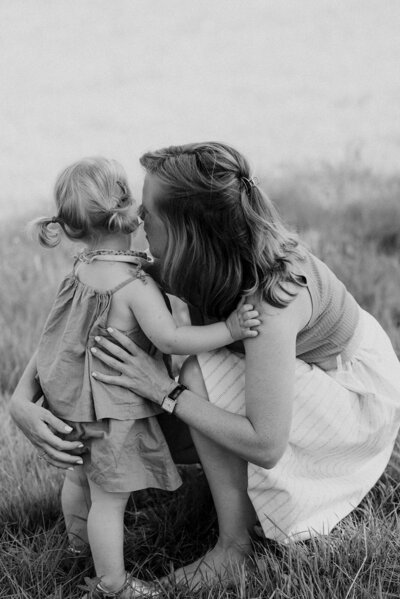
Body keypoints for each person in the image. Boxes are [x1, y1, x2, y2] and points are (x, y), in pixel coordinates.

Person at [11, 143, 400, 591]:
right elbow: (82, 322)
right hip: (280, 376)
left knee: (194, 375)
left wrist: (164, 390)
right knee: (148, 420)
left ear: (186, 232)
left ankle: (235, 549)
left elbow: (266, 442)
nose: (136, 218)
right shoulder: (182, 261)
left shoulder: (273, 298)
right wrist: (23, 400)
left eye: (149, 213)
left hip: (351, 396)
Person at [14, 156, 260, 599]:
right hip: (115, 412)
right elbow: (170, 340)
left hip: (72, 402)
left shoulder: (81, 269)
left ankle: (75, 549)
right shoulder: (133, 286)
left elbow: (57, 333)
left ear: (73, 229)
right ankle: (113, 583)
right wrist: (230, 330)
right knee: (110, 500)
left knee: (79, 478)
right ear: (124, 207)